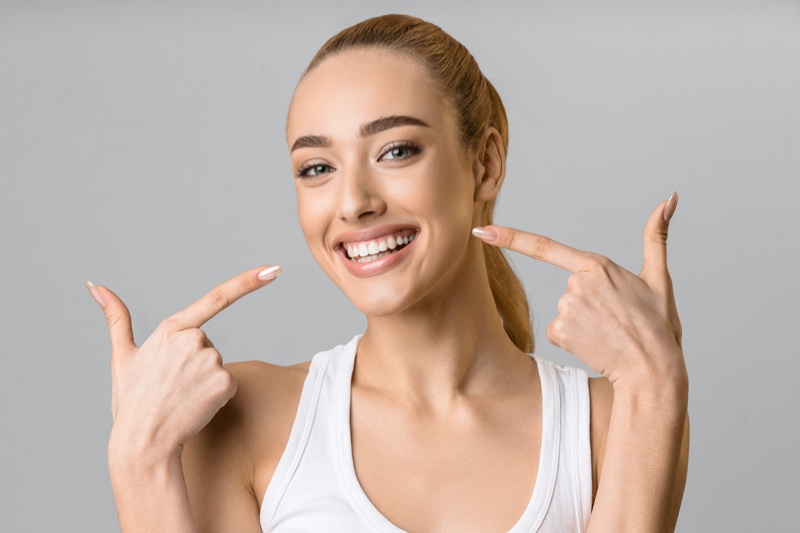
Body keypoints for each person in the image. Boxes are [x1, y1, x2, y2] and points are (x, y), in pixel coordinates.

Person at [86, 14, 689, 533]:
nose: (352, 202)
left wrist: (656, 378)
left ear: (485, 163)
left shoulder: (611, 419)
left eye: (396, 151)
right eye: (316, 167)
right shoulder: (244, 419)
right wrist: (139, 461)